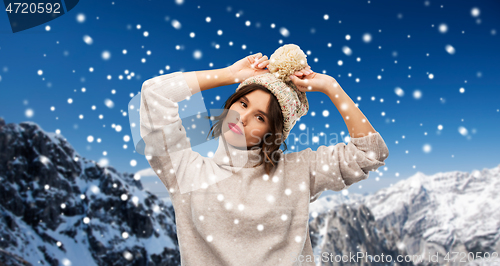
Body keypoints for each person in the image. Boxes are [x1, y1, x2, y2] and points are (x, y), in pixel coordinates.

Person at [138, 44, 389, 265]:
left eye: (260, 117)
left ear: (274, 133)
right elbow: (154, 95)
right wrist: (230, 74)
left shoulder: (298, 171)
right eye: (243, 103)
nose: (243, 118)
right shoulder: (187, 171)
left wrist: (330, 86)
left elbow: (370, 153)